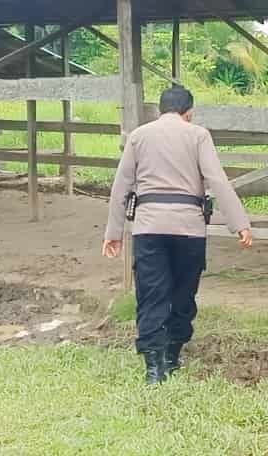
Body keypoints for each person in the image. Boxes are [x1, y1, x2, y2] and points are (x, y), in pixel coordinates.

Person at [103, 85, 254, 384]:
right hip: (189, 228)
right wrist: (239, 223)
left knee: (151, 293)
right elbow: (217, 180)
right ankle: (172, 354)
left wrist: (113, 232)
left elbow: (122, 186)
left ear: (160, 110)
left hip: (149, 228)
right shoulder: (198, 135)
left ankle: (153, 367)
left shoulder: (139, 136)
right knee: (183, 292)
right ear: (189, 113)